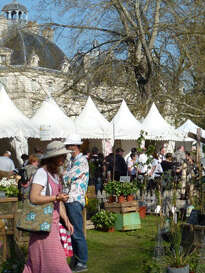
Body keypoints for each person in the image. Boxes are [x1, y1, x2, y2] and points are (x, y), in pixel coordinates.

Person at [23, 141, 73, 273]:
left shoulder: (56, 175)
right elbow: (34, 197)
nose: (63, 158)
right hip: (42, 227)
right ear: (52, 157)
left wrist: (66, 220)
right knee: (58, 265)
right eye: (60, 156)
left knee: (38, 265)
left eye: (63, 156)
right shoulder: (41, 173)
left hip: (51, 226)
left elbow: (59, 202)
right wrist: (56, 198)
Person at [64, 134, 89, 273]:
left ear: (75, 147)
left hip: (75, 199)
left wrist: (62, 174)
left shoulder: (82, 161)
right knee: (71, 231)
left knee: (77, 231)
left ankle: (82, 261)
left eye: (69, 146)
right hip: (69, 199)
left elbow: (67, 176)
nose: (68, 148)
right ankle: (76, 258)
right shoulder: (72, 161)